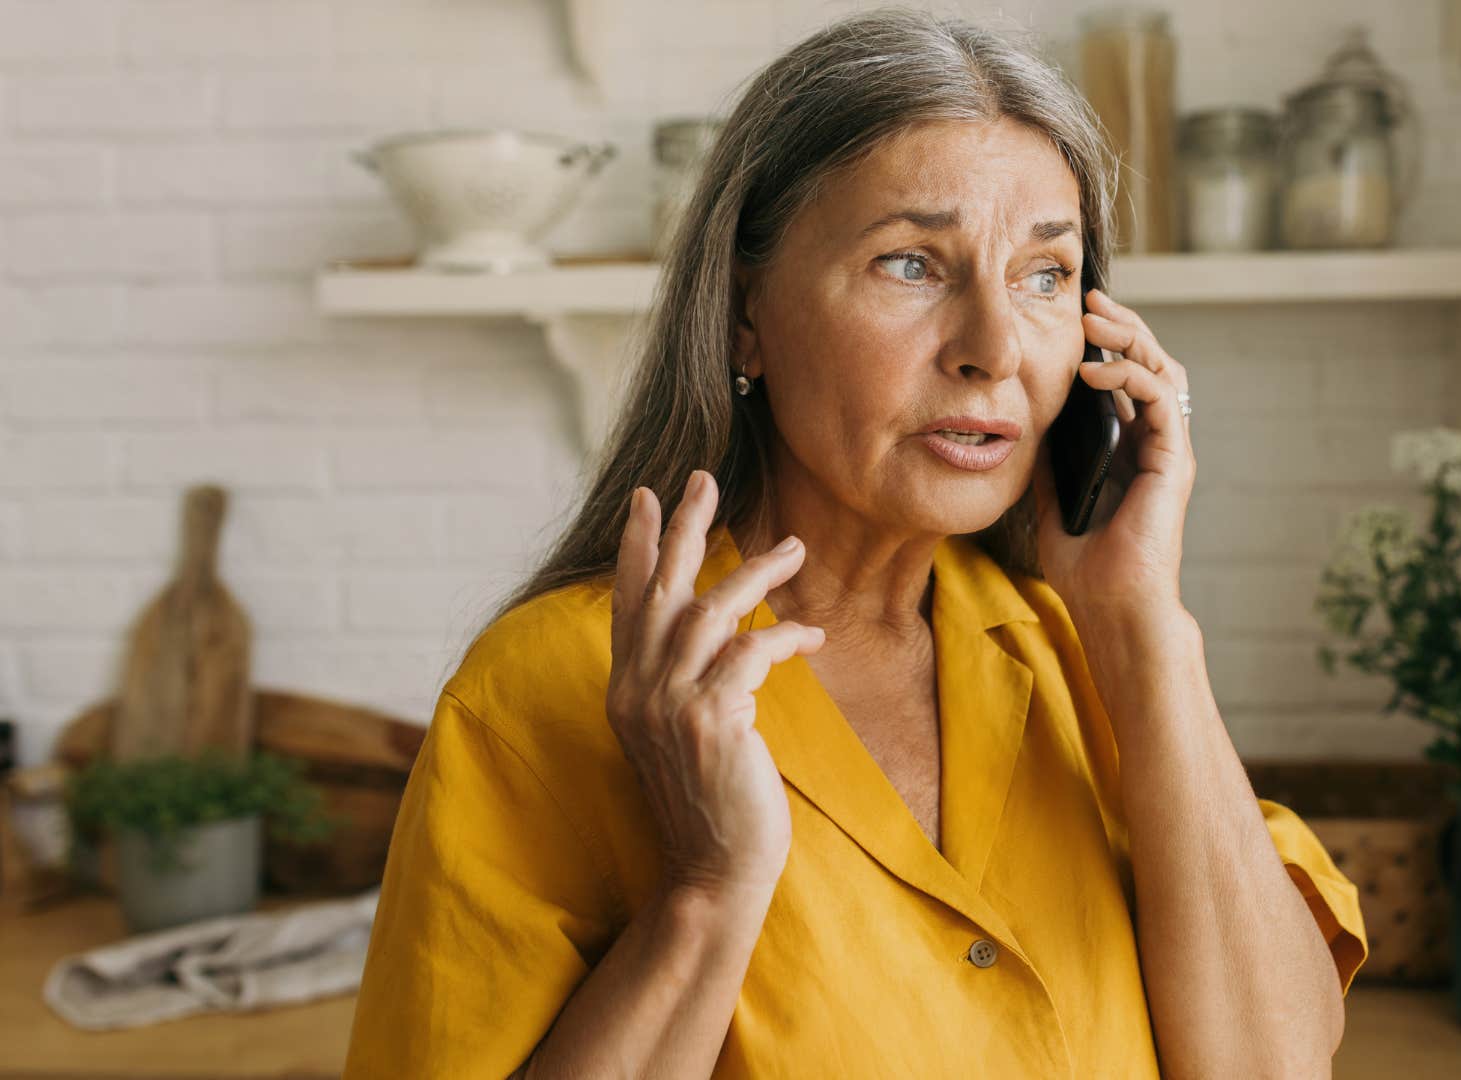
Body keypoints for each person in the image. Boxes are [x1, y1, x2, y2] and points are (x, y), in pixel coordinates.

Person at [344, 8, 1366, 1077]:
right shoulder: (550, 689)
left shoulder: (1089, 654)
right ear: (746, 315)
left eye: (1045, 275)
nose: (993, 348)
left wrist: (1143, 621)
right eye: (912, 265)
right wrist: (706, 890)